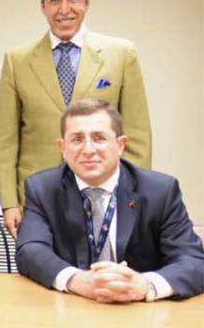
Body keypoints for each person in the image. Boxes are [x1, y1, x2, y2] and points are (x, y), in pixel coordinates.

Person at [0, 0, 152, 239]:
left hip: (105, 192)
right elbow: (5, 141)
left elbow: (137, 135)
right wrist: (9, 202)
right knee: (40, 273)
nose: (63, 9)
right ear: (43, 6)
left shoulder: (121, 54)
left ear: (87, 3)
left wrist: (133, 196)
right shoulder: (16, 60)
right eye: (54, 0)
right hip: (38, 197)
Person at [16, 99, 204, 302]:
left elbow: (193, 261)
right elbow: (30, 249)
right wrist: (76, 280)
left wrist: (144, 286)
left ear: (120, 144)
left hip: (141, 311)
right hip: (73, 307)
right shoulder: (42, 188)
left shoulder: (160, 191)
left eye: (99, 138)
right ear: (62, 147)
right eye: (77, 139)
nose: (88, 149)